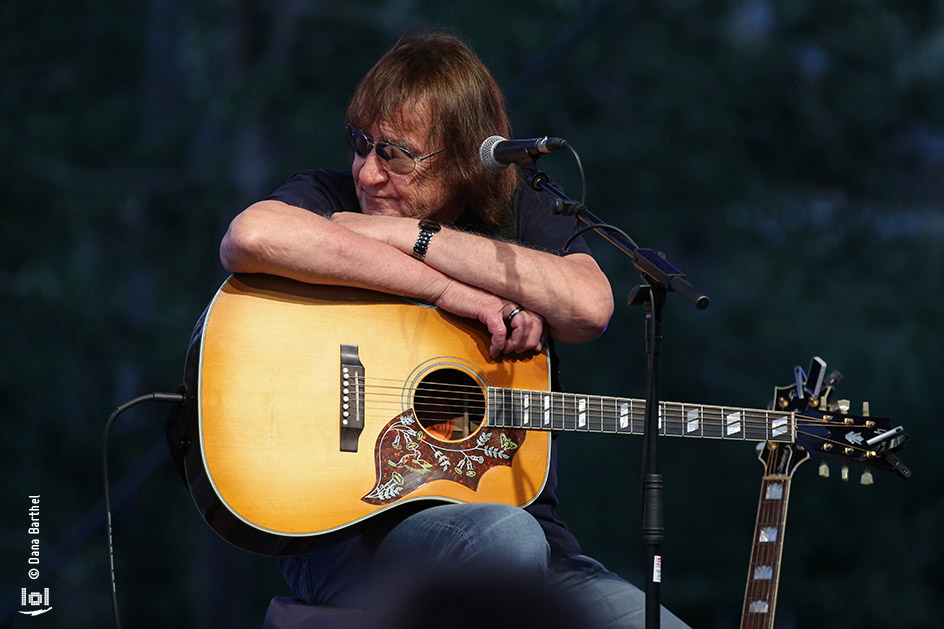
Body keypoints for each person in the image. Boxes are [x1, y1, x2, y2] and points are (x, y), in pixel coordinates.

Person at [221, 31, 688, 628]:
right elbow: (252, 236)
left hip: (533, 543)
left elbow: (590, 306)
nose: (367, 174)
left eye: (395, 154)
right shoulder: (326, 193)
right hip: (352, 531)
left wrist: (413, 238)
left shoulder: (520, 212)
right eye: (360, 144)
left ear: (466, 157)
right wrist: (452, 292)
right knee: (503, 542)